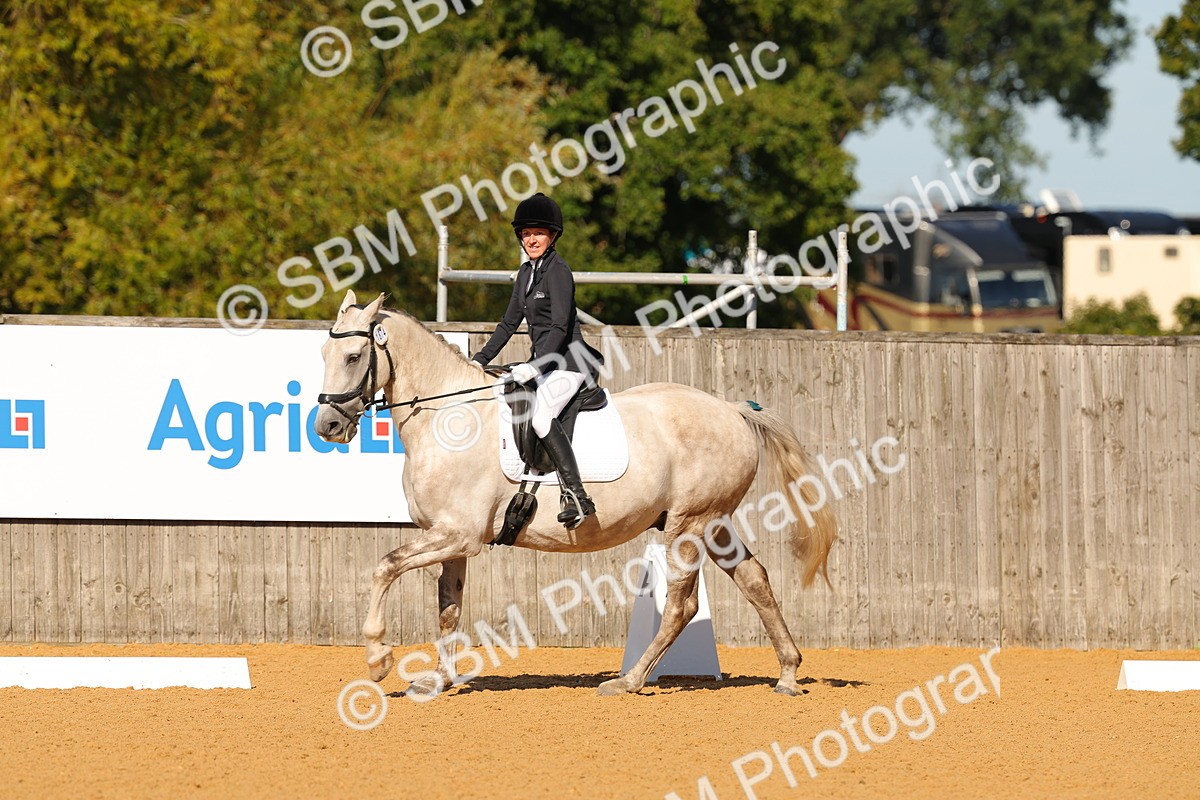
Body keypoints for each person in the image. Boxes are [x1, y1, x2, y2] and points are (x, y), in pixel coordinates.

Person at [470, 192, 605, 528]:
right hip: (544, 363)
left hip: (570, 362)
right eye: (526, 234)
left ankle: (575, 493)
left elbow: (560, 325)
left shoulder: (559, 272)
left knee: (541, 411)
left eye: (538, 234)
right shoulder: (526, 274)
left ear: (553, 236)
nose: (531, 239)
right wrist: (478, 359)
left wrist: (536, 365)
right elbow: (508, 323)